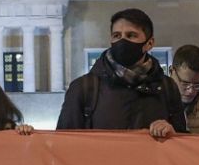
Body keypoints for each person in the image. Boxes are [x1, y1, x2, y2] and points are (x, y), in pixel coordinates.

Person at [56, 8, 186, 138]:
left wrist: (172, 134)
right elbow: (64, 142)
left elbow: (183, 143)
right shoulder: (83, 88)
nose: (122, 41)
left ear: (149, 43)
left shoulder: (167, 88)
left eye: (131, 35)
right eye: (117, 36)